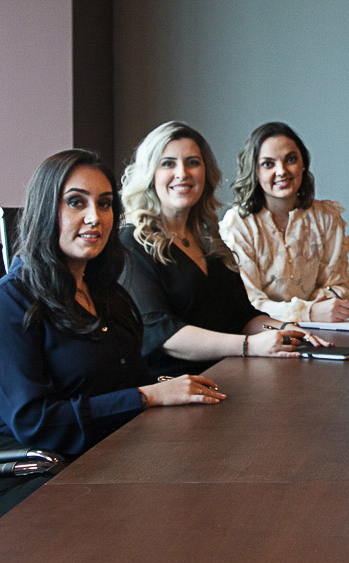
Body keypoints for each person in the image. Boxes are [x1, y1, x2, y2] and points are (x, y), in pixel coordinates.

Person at [0, 149, 226, 534]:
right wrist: (147, 396)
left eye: (104, 205)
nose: (95, 218)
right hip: (25, 475)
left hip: (102, 458)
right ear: (44, 211)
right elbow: (36, 423)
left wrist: (164, 392)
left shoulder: (108, 294)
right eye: (76, 202)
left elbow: (124, 383)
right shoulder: (6, 301)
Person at [119, 121, 326, 378]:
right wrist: (248, 346)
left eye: (193, 162)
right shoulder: (131, 244)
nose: (182, 173)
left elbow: (244, 317)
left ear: (206, 173)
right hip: (173, 387)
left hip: (228, 376)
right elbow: (163, 334)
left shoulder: (209, 238)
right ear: (149, 174)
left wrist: (287, 328)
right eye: (168, 163)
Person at [220, 122, 349, 324]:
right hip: (262, 336)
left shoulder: (327, 217)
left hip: (323, 331)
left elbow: (338, 285)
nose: (282, 171)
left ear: (303, 164)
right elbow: (249, 302)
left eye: (290, 159)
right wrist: (307, 312)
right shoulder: (238, 224)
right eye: (268, 164)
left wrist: (326, 301)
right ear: (254, 171)